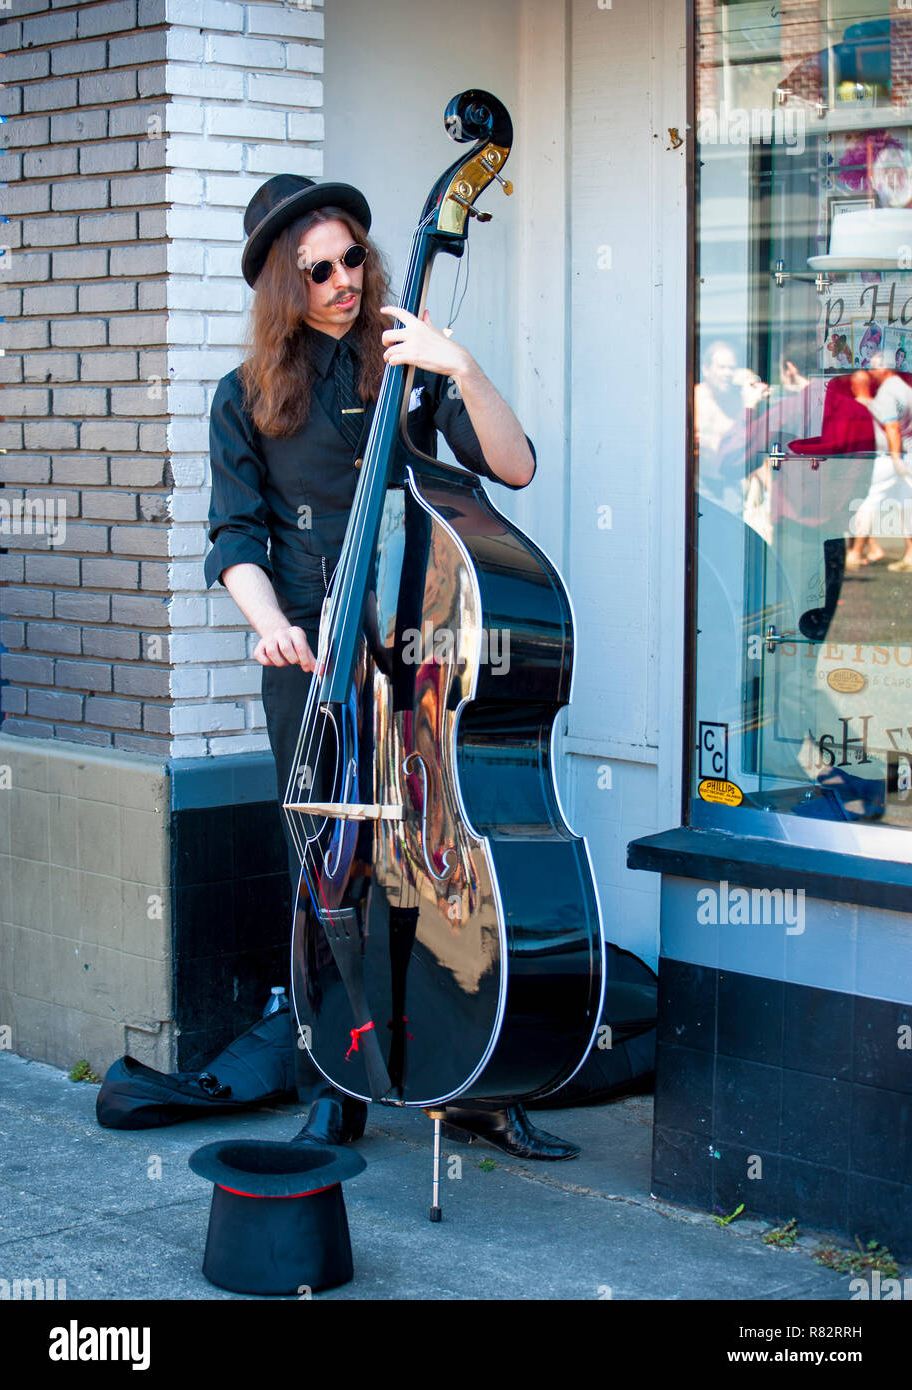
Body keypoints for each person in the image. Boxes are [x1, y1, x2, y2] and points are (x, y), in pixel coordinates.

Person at [204, 174, 581, 1160]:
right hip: (319, 669)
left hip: (422, 663)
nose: (341, 279)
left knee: (449, 863)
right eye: (316, 269)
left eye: (351, 258)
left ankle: (478, 1079)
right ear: (284, 287)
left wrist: (462, 366)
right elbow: (235, 537)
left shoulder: (405, 360)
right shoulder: (245, 396)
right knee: (330, 874)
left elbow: (512, 467)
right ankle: (342, 1080)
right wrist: (271, 624)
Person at [846, 364, 912, 572]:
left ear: (853, 385)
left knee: (867, 504)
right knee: (904, 503)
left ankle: (856, 552)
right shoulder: (876, 402)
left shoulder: (859, 406)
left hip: (880, 459)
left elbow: (892, 428)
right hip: (893, 458)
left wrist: (895, 458)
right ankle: (886, 550)